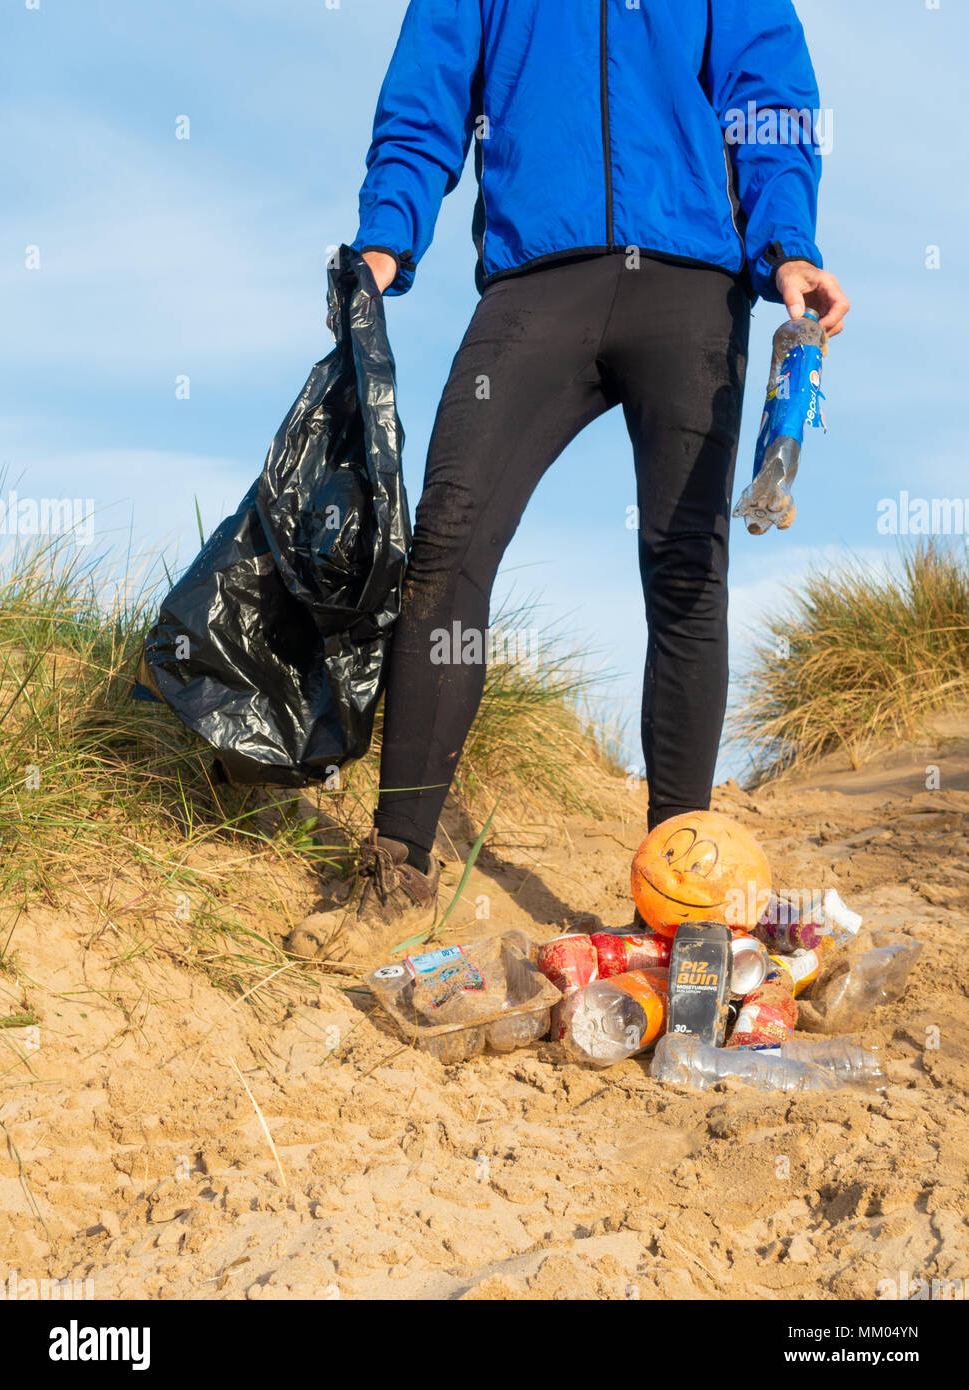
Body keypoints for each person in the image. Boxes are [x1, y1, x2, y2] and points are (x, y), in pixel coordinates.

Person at [288, 0, 849, 959]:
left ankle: (681, 897)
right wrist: (387, 235)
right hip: (533, 283)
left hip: (692, 282)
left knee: (685, 569)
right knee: (449, 545)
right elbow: (428, 92)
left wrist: (788, 241)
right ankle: (399, 862)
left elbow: (769, 95)